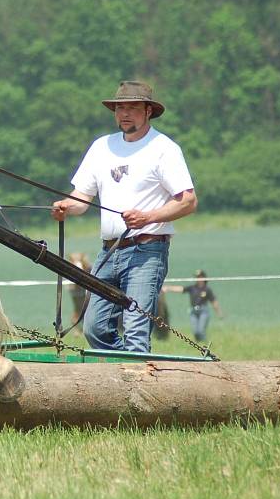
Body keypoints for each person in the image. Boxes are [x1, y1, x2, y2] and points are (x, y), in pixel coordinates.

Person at [52, 80, 197, 353]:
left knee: (136, 331)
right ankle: (123, 373)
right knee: (94, 328)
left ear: (148, 111)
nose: (125, 113)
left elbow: (188, 201)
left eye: (132, 107)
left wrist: (148, 217)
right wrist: (65, 207)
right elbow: (82, 197)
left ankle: (137, 382)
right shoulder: (101, 147)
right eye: (120, 108)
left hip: (147, 250)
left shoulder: (164, 148)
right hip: (108, 252)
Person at [163, 270, 223, 341]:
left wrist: (219, 313)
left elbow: (214, 301)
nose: (198, 279)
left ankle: (204, 344)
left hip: (203, 311)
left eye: (199, 277)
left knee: (200, 330)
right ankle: (198, 343)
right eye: (197, 277)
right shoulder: (192, 288)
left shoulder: (207, 289)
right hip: (193, 311)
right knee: (195, 331)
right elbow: (181, 289)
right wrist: (169, 288)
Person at [67, 252, 92, 333]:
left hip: (82, 291)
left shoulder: (87, 266)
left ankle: (80, 329)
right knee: (78, 310)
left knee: (82, 310)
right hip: (76, 291)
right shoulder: (75, 265)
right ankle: (77, 330)